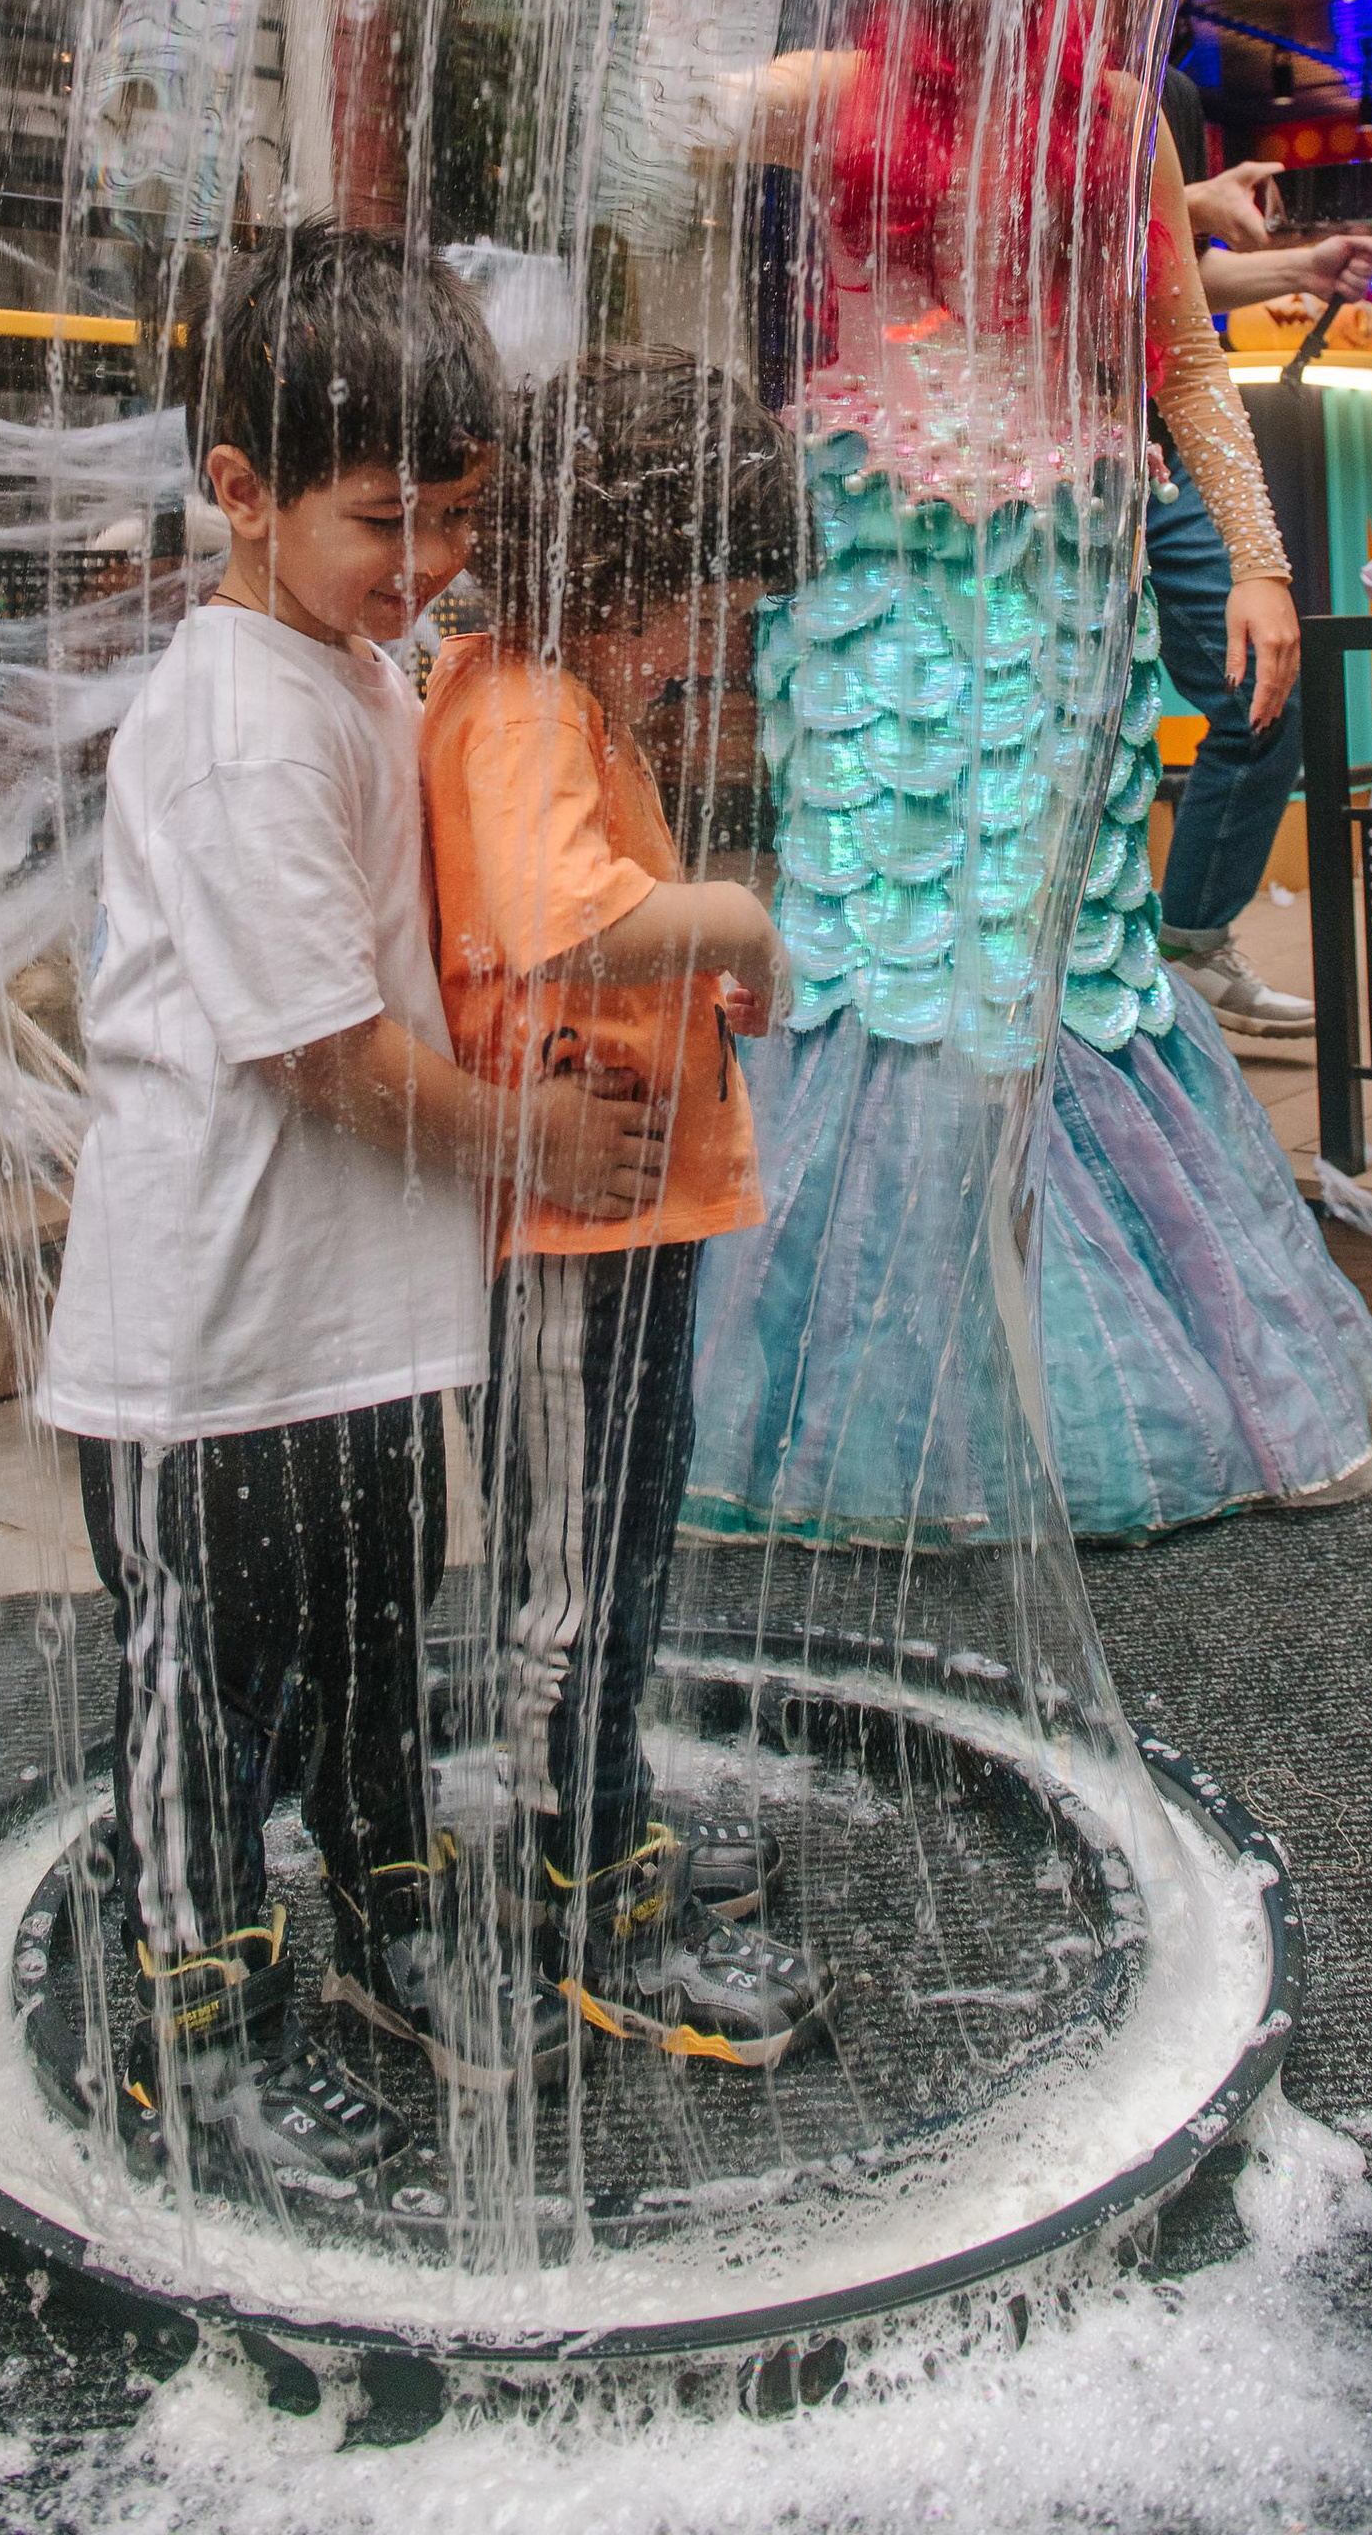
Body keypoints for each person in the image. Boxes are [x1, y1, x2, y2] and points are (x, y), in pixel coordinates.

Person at [686, 0, 1372, 1549]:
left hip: (1062, 571)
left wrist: (1254, 565)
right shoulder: (829, 89)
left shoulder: (1116, 117)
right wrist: (663, 21)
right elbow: (648, 132)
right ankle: (864, 1387)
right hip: (878, 582)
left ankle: (1095, 1361)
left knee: (1062, 941)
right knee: (873, 929)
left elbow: (1180, 363)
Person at [39, 225, 657, 2190]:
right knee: (201, 1707)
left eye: (457, 519)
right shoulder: (231, 715)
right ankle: (191, 2030)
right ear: (235, 495)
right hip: (210, 1336)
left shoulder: (360, 659)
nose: (428, 563)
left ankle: (390, 1910)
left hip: (357, 1315)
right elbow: (315, 1047)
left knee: (382, 1640)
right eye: (384, 520)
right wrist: (522, 1142)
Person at [421, 349, 831, 2065]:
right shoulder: (518, 700)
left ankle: (604, 1815)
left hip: (627, 1216)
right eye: (697, 613)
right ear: (613, 572)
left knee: (615, 1550)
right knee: (578, 1573)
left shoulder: (559, 701)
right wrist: (726, 923)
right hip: (575, 1239)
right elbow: (556, 914)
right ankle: (578, 1886)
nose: (705, 655)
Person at [1153, 0, 1372, 1034]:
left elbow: (1170, 293)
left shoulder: (1162, 93)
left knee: (1264, 700)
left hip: (1149, 450)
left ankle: (1189, 944)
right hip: (986, 471)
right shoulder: (956, 68)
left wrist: (1300, 268)